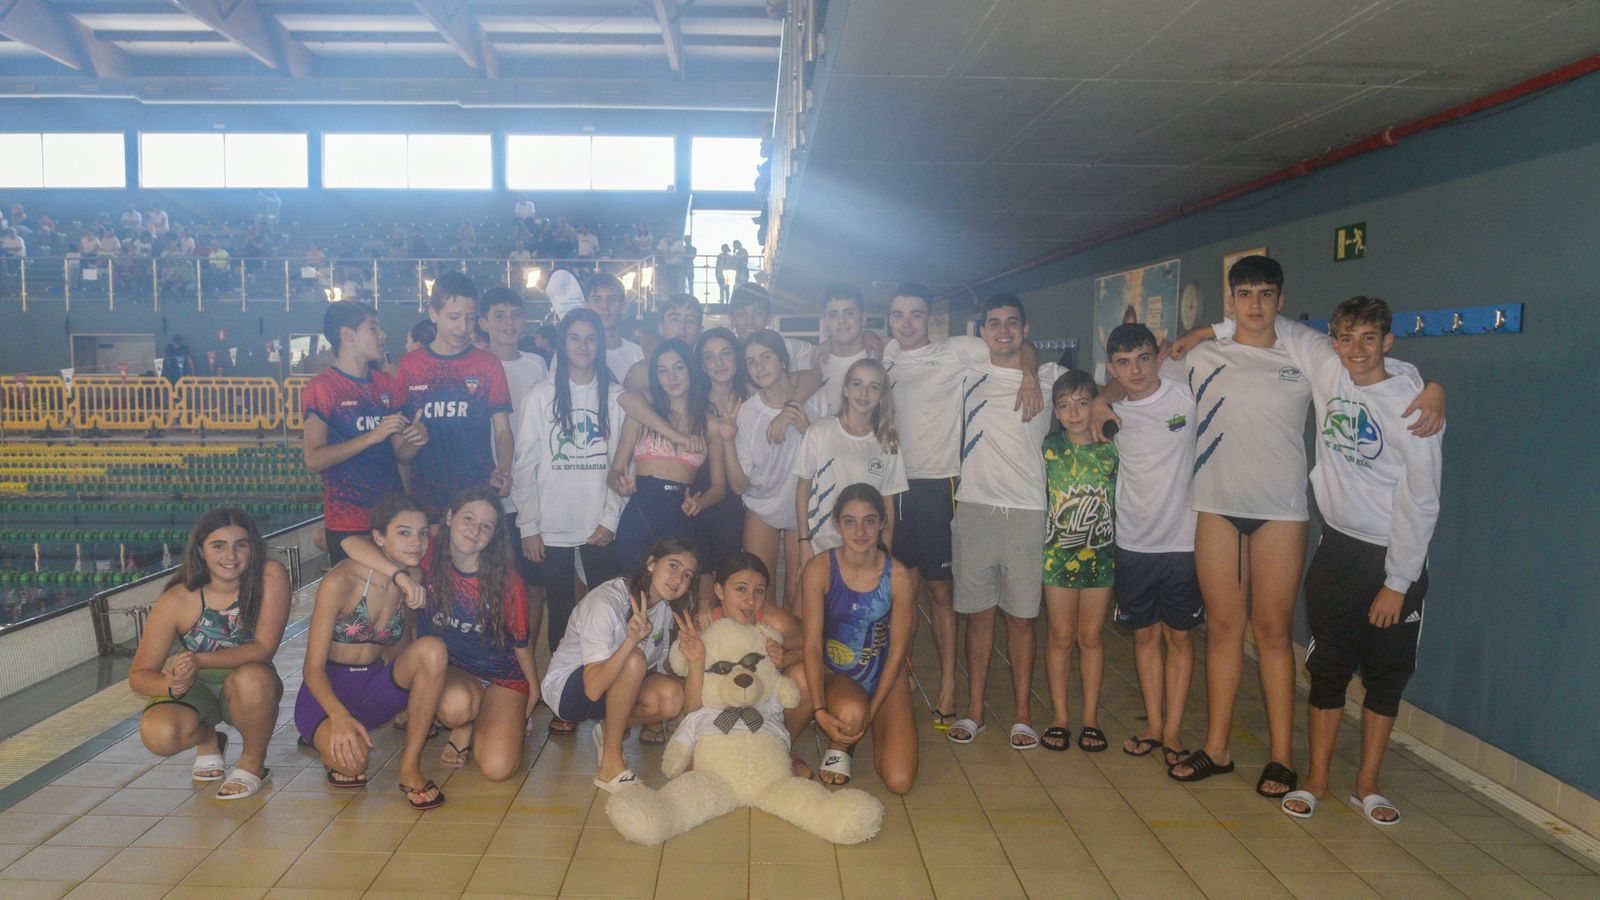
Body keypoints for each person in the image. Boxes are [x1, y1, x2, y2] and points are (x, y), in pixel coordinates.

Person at [1154, 257, 1443, 796]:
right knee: (1221, 629)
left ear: (1281, 300)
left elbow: (1373, 369)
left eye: (1266, 293)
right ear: (1231, 299)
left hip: (1282, 511)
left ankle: (1283, 758)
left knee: (1271, 634)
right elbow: (1144, 385)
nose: (1255, 304)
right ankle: (1217, 748)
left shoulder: (1305, 351)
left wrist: (1430, 386)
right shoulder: (1201, 353)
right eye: (1244, 294)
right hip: (1215, 505)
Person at [879, 283, 1041, 729]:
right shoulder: (887, 355)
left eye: (915, 314)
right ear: (889, 319)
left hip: (941, 485)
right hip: (892, 486)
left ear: (930, 318)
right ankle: (899, 680)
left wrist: (1029, 375)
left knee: (941, 594)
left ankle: (950, 687)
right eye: (898, 314)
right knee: (899, 592)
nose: (906, 323)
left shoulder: (959, 350)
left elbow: (1018, 342)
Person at [947, 294, 1063, 750]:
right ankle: (974, 711)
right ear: (983, 333)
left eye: (1012, 323)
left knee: (1021, 620)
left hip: (1028, 512)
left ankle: (1022, 715)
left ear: (1026, 329)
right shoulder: (966, 374)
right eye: (994, 324)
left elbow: (1102, 391)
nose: (1003, 331)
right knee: (979, 619)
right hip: (973, 508)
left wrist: (1031, 372)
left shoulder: (1049, 378)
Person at [510, 308, 627, 734]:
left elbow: (620, 463)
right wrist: (529, 525)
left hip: (598, 524)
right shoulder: (540, 397)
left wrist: (611, 518)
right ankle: (565, 698)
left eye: (590, 338)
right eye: (574, 338)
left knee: (607, 612)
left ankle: (609, 690)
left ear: (600, 343)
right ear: (562, 344)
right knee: (561, 614)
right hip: (552, 527)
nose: (582, 346)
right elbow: (524, 467)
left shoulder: (615, 398)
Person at [1093, 325, 1204, 766]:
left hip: (1183, 540)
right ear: (1111, 367)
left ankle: (1174, 732)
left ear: (1158, 356)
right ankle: (1154, 727)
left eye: (1142, 358)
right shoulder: (1112, 415)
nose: (1134, 370)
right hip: (1133, 542)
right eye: (1123, 362)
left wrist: (1198, 334)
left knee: (1180, 637)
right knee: (1144, 638)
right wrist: (1103, 398)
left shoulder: (1186, 397)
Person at [294, 495, 447, 809]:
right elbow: (312, 668)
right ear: (379, 537)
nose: (416, 542)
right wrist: (337, 716)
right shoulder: (342, 580)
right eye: (403, 533)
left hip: (373, 687)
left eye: (422, 534)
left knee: (433, 649)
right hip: (327, 693)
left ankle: (410, 768)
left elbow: (399, 645)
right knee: (354, 766)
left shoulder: (413, 580)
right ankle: (320, 735)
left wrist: (409, 695)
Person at [128, 508, 290, 799]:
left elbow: (263, 649)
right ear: (201, 550)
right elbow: (139, 676)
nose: (231, 555)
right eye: (219, 546)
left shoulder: (270, 576)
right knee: (159, 733)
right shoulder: (177, 599)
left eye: (241, 544)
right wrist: (172, 684)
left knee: (252, 678)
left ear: (253, 547)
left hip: (248, 684)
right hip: (196, 686)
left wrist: (198, 660)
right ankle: (208, 738)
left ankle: (253, 763)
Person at [540, 535, 696, 792]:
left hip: (614, 688)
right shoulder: (607, 601)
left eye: (688, 574)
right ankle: (610, 765)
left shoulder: (665, 610)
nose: (679, 579)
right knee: (633, 658)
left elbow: (658, 673)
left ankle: (608, 729)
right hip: (571, 692)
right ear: (651, 564)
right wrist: (630, 640)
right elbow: (592, 689)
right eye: (673, 566)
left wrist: (697, 657)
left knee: (671, 698)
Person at [798, 484, 918, 792]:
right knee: (851, 712)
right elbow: (811, 646)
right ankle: (842, 740)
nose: (860, 530)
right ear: (837, 524)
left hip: (883, 675)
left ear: (882, 523)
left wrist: (873, 711)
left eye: (870, 520)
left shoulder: (900, 577)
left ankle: (859, 728)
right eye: (850, 521)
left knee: (900, 781)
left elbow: (897, 653)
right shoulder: (819, 569)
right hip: (837, 674)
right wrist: (820, 710)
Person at [416, 485, 537, 781]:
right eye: (468, 519)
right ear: (449, 517)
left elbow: (521, 645)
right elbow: (359, 545)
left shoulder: (507, 581)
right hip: (455, 671)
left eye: (486, 526)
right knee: (456, 708)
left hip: (502, 676)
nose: (474, 530)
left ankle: (490, 716)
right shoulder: (426, 554)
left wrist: (534, 692)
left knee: (497, 769)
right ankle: (465, 724)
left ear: (495, 535)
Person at [302, 302, 428, 566]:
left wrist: (417, 440)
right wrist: (372, 436)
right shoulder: (323, 388)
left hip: (390, 519)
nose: (382, 335)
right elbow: (314, 459)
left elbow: (401, 456)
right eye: (373, 328)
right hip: (348, 519)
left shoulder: (386, 384)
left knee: (395, 598)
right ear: (347, 335)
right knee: (357, 605)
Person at [1038, 370, 1118, 752]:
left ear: (1096, 405)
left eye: (1082, 403)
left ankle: (1090, 717)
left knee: (1090, 637)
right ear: (1055, 411)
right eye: (1064, 406)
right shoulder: (1048, 447)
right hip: (1056, 557)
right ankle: (1060, 717)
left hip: (1101, 558)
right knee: (1060, 636)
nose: (1073, 413)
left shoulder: (1111, 448)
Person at [395, 271, 514, 519]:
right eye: (454, 317)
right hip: (426, 501)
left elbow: (503, 429)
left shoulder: (488, 364)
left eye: (470, 318)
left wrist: (503, 469)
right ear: (433, 314)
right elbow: (401, 455)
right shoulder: (409, 366)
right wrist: (413, 442)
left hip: (478, 496)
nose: (463, 327)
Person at [728, 330, 828, 609]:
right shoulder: (748, 411)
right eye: (751, 362)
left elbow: (830, 461)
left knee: (801, 594)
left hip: (803, 508)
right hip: (762, 506)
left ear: (783, 360)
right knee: (758, 593)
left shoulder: (815, 400)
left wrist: (805, 428)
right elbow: (743, 480)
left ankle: (796, 652)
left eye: (766, 357)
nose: (759, 367)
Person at [610, 339, 727, 570]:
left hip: (682, 515)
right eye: (662, 371)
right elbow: (614, 471)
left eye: (678, 367)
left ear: (691, 369)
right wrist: (620, 486)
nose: (671, 377)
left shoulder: (710, 423)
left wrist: (700, 503)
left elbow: (720, 486)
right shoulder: (642, 413)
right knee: (634, 595)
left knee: (677, 599)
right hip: (640, 513)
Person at [480, 286, 551, 654]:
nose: (509, 323)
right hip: (486, 489)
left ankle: (524, 663)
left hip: (529, 492)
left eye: (515, 315)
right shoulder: (474, 364)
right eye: (499, 315)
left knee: (532, 586)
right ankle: (490, 660)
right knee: (489, 582)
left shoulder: (537, 364)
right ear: (484, 322)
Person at [794, 358, 907, 565]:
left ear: (882, 396)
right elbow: (803, 488)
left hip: (867, 550)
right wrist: (803, 542)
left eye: (873, 387)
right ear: (845, 390)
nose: (864, 393)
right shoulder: (820, 431)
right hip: (821, 547)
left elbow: (887, 505)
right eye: (857, 384)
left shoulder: (887, 441)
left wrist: (885, 556)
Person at [621, 293, 704, 391]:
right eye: (674, 319)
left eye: (690, 320)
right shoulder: (642, 373)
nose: (682, 325)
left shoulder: (708, 369)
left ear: (700, 330)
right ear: (661, 328)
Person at [730, 282, 813, 372]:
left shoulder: (783, 346)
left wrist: (829, 343)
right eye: (742, 313)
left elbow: (815, 352)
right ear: (732, 319)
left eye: (758, 313)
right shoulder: (727, 354)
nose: (750, 321)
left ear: (769, 318)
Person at [584, 272, 645, 377]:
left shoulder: (638, 353)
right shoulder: (572, 354)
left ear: (624, 306)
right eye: (597, 300)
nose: (604, 306)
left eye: (612, 299)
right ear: (586, 306)